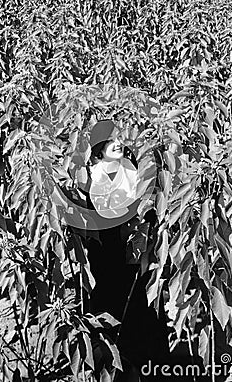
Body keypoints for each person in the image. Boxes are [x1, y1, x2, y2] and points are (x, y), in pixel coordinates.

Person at [84, 119, 170, 381]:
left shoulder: (129, 168)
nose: (118, 145)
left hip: (132, 254)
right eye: (111, 143)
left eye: (119, 140)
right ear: (99, 151)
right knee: (117, 302)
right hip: (111, 255)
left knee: (141, 305)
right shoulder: (96, 176)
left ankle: (149, 360)